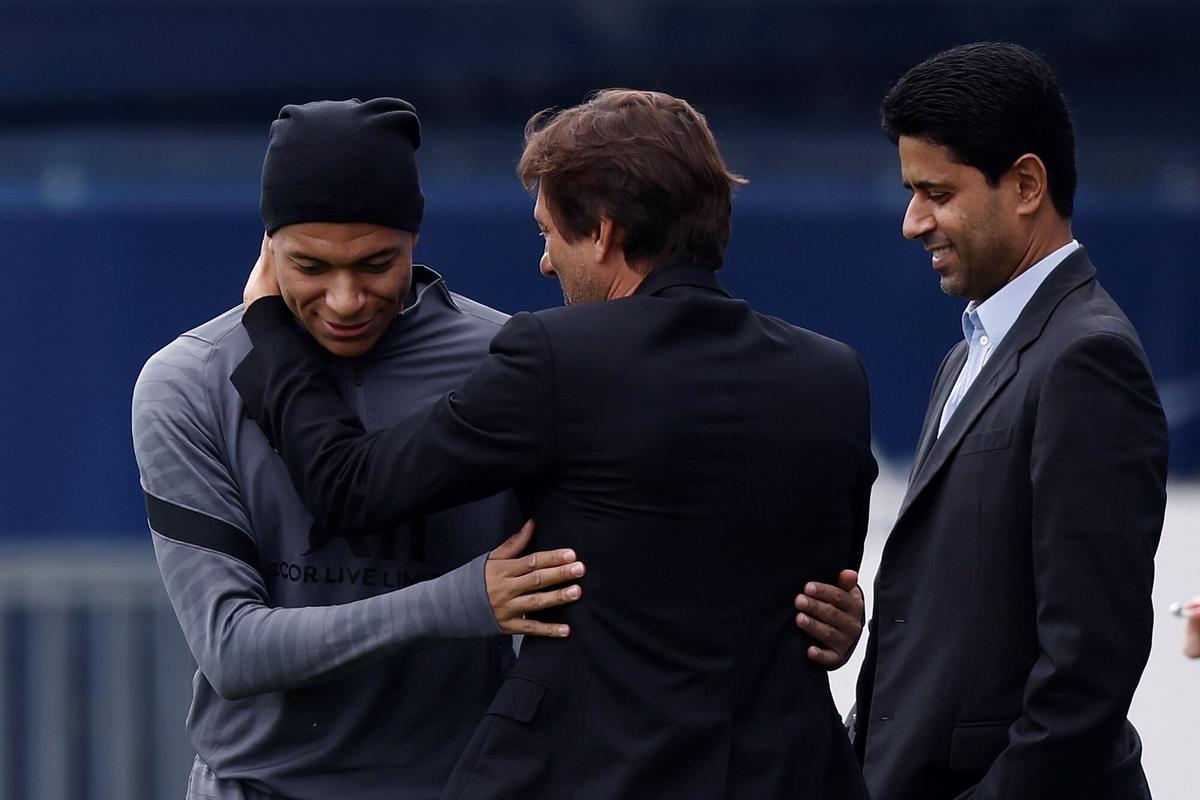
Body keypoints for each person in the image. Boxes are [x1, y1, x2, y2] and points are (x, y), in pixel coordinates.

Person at [230, 88, 878, 799]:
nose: (544, 264)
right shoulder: (832, 373)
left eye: (547, 234)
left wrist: (269, 330)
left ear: (602, 233)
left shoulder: (557, 356)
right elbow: (830, 587)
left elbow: (350, 487)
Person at [131, 98, 591, 800]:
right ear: (267, 246)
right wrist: (461, 601)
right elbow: (231, 648)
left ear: (416, 239)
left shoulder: (509, 362)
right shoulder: (188, 380)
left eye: (378, 263)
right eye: (309, 266)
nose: (345, 299)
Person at [850, 43, 1169, 800]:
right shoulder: (967, 357)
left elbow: (1086, 673)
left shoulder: (1088, 361)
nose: (911, 222)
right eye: (909, 192)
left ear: (1026, 183)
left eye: (935, 192)